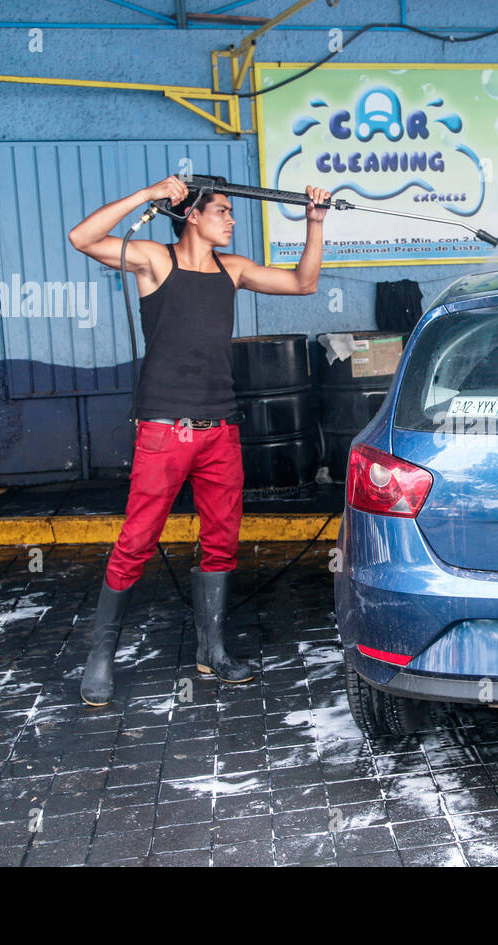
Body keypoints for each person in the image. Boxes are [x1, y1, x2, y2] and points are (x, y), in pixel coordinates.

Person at [67, 175, 331, 706]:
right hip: (165, 429)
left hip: (220, 429)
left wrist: (315, 222)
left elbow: (303, 283)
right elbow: (82, 238)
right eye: (223, 212)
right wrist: (144, 195)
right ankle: (99, 658)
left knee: (222, 540)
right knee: (138, 540)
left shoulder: (230, 269)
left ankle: (212, 649)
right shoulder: (154, 261)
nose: (232, 220)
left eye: (232, 212)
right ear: (192, 215)